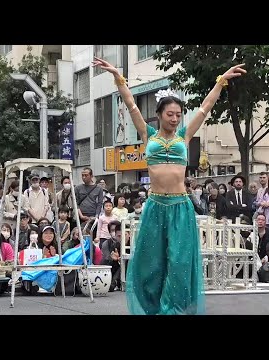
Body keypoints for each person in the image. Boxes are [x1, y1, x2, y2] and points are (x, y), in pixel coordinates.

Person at [92, 56, 246, 315]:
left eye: (178, 115)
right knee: (151, 263)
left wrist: (221, 82)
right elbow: (131, 105)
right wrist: (118, 77)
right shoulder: (147, 135)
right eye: (170, 114)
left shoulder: (184, 136)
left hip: (180, 207)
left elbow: (206, 107)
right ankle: (152, 308)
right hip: (155, 206)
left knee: (179, 262)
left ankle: (173, 310)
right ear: (159, 114)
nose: (175, 119)